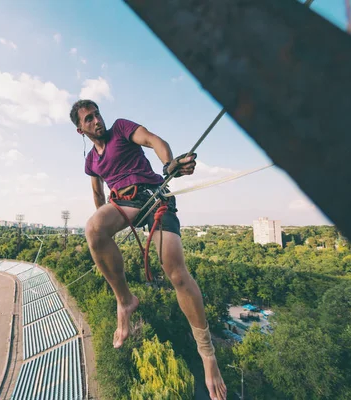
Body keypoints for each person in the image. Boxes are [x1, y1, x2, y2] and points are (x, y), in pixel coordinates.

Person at [70, 99, 227, 400]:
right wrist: (106, 232)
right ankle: (125, 301)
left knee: (177, 274)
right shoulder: (91, 160)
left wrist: (169, 165)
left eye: (97, 115)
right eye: (89, 119)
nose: (97, 121)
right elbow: (96, 193)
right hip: (123, 204)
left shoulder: (121, 129)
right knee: (93, 229)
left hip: (152, 196)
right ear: (80, 129)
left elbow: (155, 141)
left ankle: (207, 354)